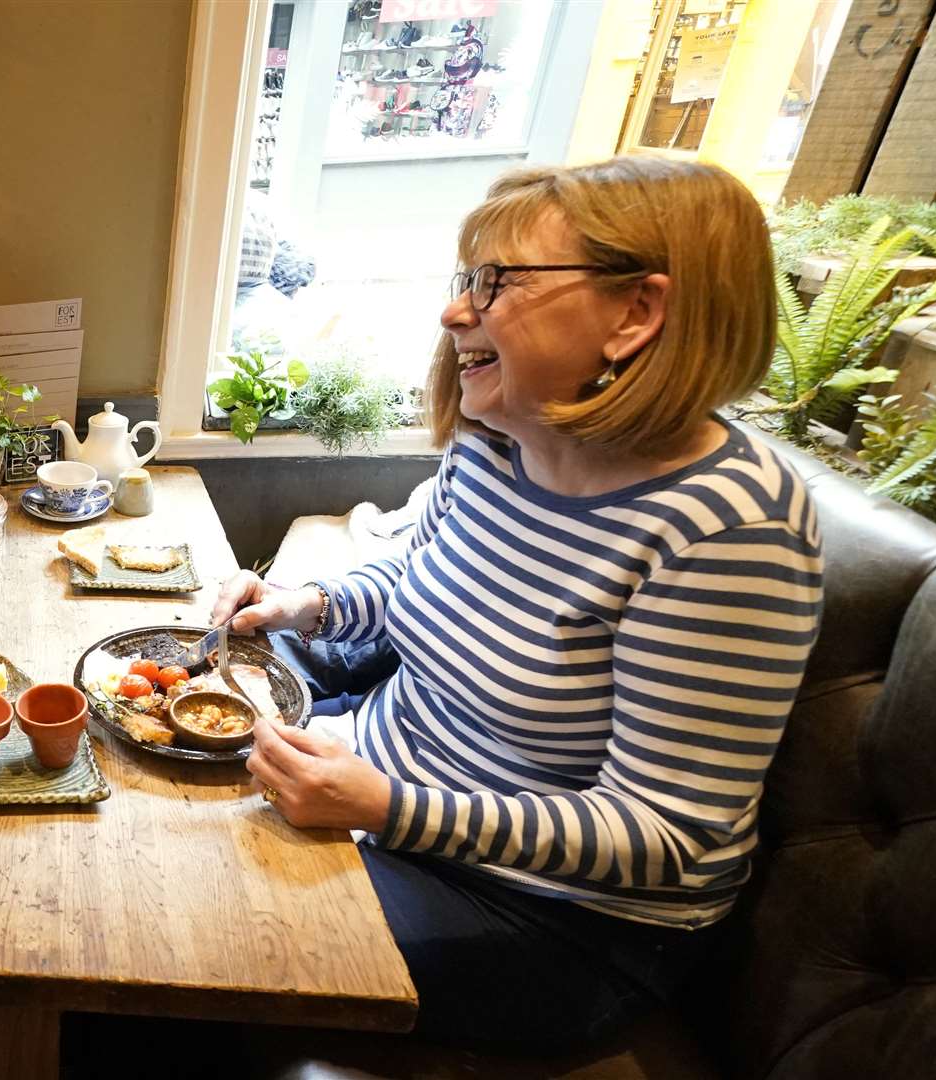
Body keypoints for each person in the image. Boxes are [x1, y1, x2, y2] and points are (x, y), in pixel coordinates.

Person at [212, 157, 825, 1053]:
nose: (456, 310)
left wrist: (386, 806)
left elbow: (665, 831)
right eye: (466, 278)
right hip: (395, 788)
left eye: (498, 283)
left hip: (559, 921)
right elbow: (418, 591)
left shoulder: (728, 527)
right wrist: (304, 605)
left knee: (201, 946)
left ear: (636, 313)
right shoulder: (499, 442)